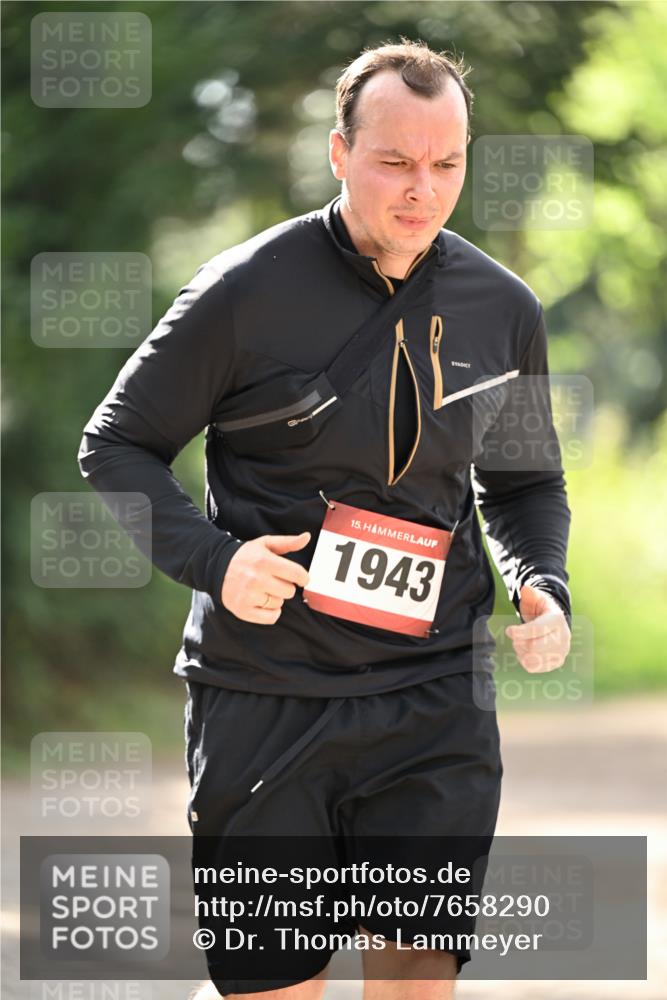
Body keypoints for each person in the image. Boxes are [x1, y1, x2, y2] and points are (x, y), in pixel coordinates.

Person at [78, 39, 571, 1000]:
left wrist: (539, 580)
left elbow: (523, 485)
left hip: (434, 694)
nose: (421, 190)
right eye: (394, 161)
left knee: (417, 974)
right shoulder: (243, 290)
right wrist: (215, 562)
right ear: (339, 153)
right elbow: (117, 445)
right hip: (267, 692)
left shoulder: (502, 307)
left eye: (446, 163)